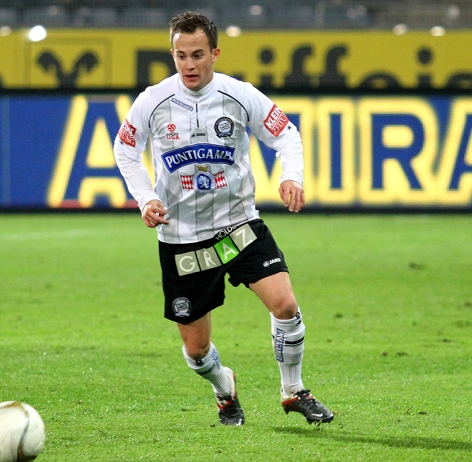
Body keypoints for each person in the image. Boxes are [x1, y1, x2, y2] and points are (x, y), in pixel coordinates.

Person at [113, 11, 333, 426]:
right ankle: (223, 387)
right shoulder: (152, 101)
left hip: (239, 224)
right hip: (182, 239)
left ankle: (294, 391)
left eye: (197, 54)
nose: (189, 64)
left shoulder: (239, 95)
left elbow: (285, 133)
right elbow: (125, 149)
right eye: (181, 56)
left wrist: (291, 176)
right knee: (197, 351)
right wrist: (145, 198)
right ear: (173, 55)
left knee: (285, 304)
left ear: (215, 53)